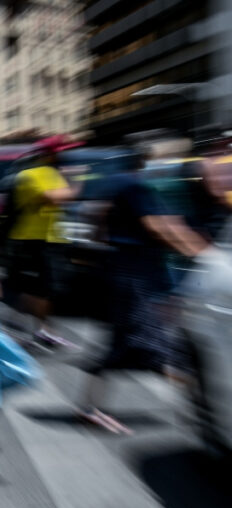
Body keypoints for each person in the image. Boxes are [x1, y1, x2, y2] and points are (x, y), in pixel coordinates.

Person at [78, 153, 209, 434]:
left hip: (126, 269)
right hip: (133, 273)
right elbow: (157, 227)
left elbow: (98, 226)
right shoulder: (136, 187)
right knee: (141, 343)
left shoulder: (121, 184)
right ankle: (206, 406)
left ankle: (92, 407)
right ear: (145, 161)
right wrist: (199, 255)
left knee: (134, 342)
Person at [7, 136, 83, 348]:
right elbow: (54, 197)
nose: (65, 157)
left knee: (47, 288)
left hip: (52, 238)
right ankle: (41, 329)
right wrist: (76, 185)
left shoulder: (54, 174)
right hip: (33, 239)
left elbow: (63, 197)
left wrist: (68, 190)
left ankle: (24, 320)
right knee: (44, 288)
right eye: (61, 153)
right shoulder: (29, 175)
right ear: (49, 154)